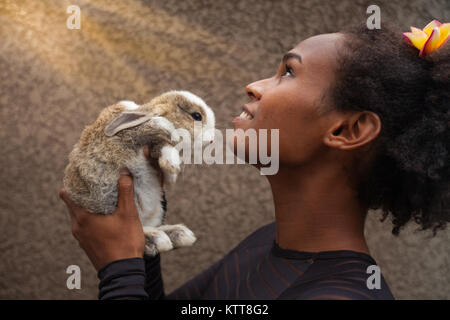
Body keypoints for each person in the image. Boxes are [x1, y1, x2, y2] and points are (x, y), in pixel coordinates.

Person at [59, 22, 449, 300]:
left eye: (289, 72)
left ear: (348, 130)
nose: (254, 86)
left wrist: (118, 268)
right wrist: (140, 233)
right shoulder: (266, 244)